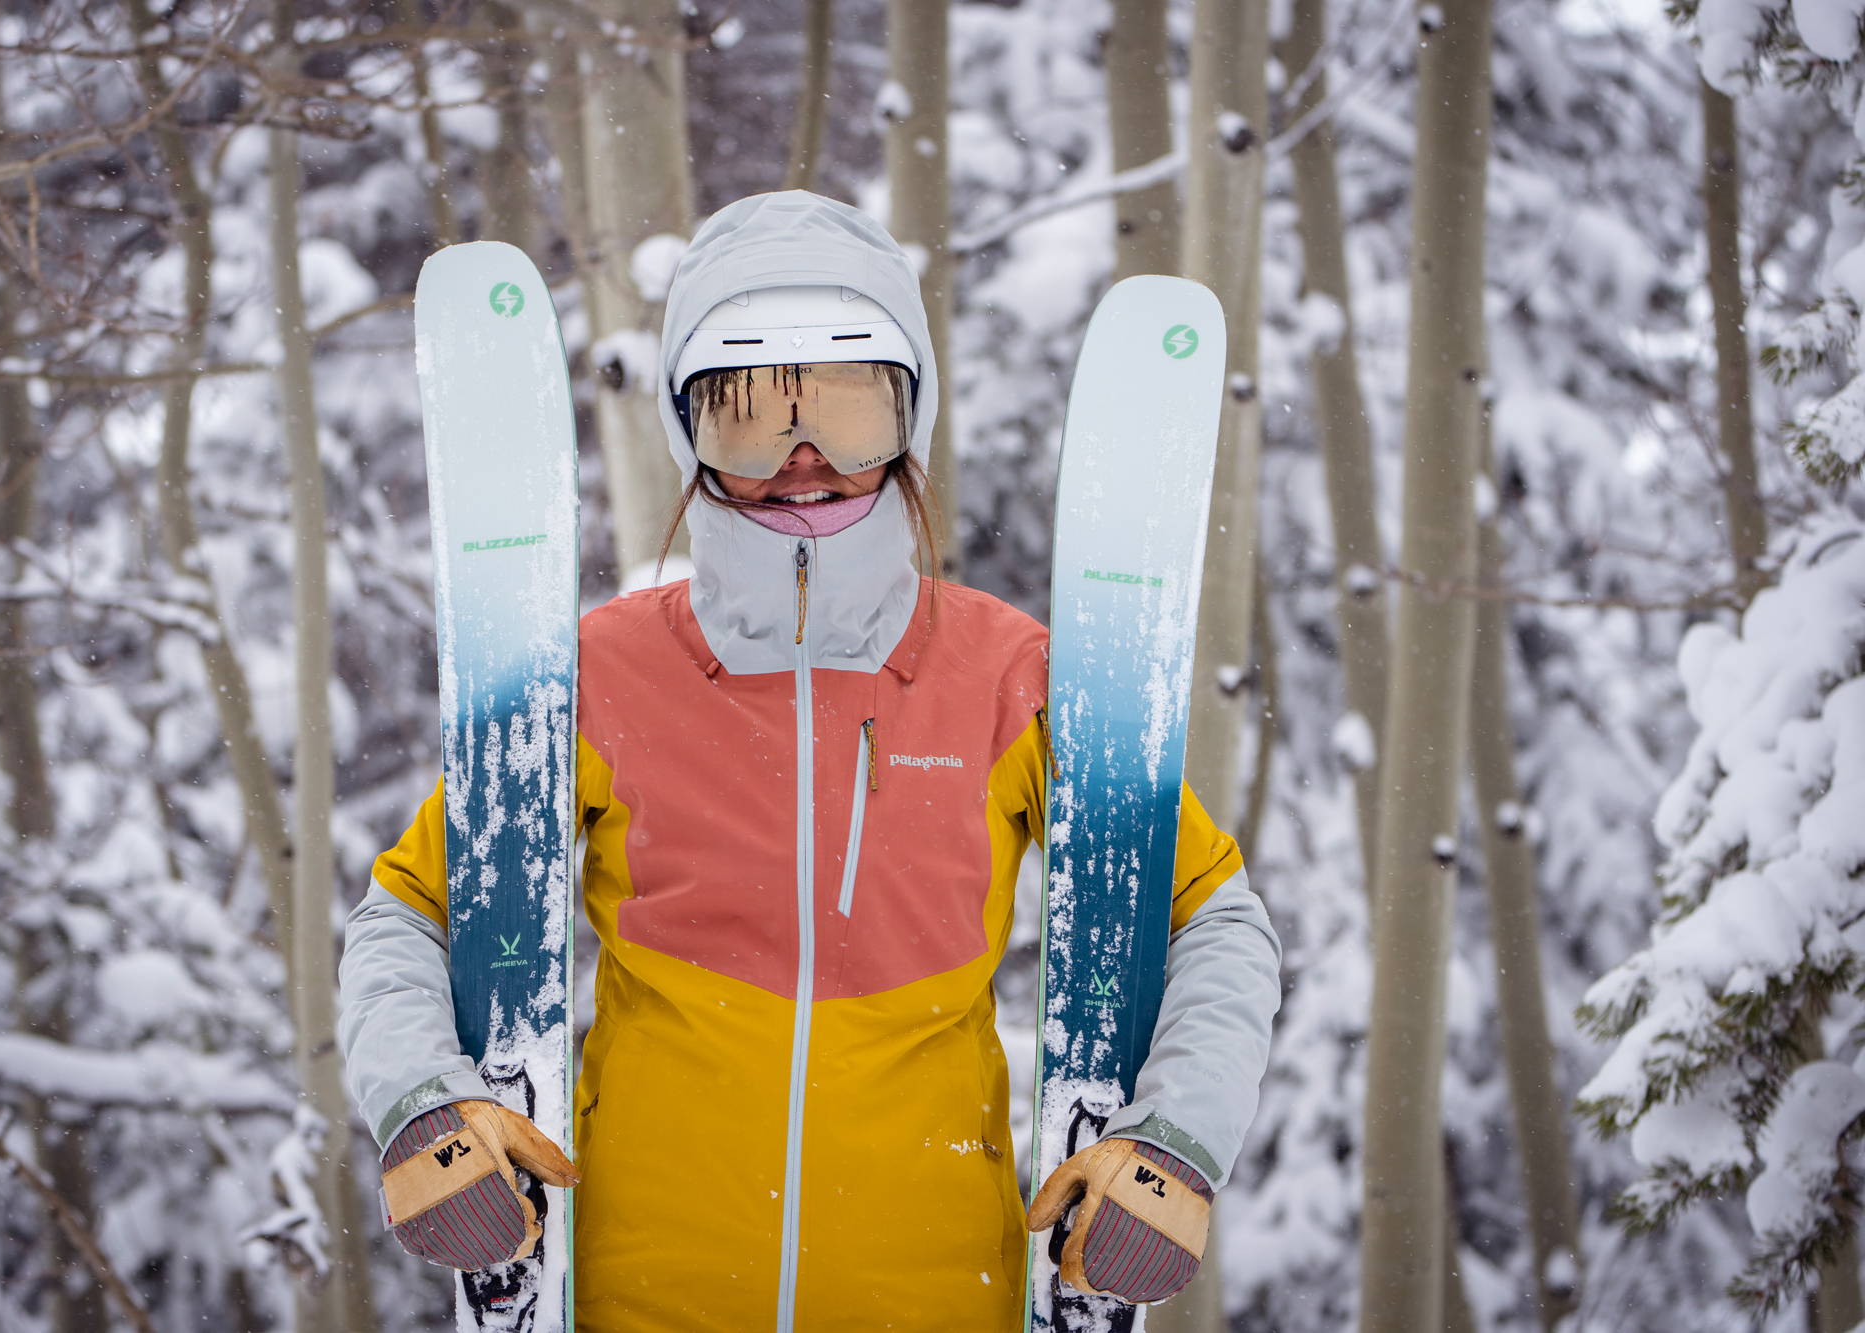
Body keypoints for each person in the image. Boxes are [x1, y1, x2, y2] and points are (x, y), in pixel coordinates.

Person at [338, 191, 1281, 1332]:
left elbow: (1212, 916)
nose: (803, 458)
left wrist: (1175, 1136)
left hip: (938, 1306)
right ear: (687, 433)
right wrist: (423, 1102)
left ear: (910, 421)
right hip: (643, 1307)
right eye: (747, 412)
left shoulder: (1010, 680)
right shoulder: (595, 681)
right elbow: (410, 911)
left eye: (846, 406)